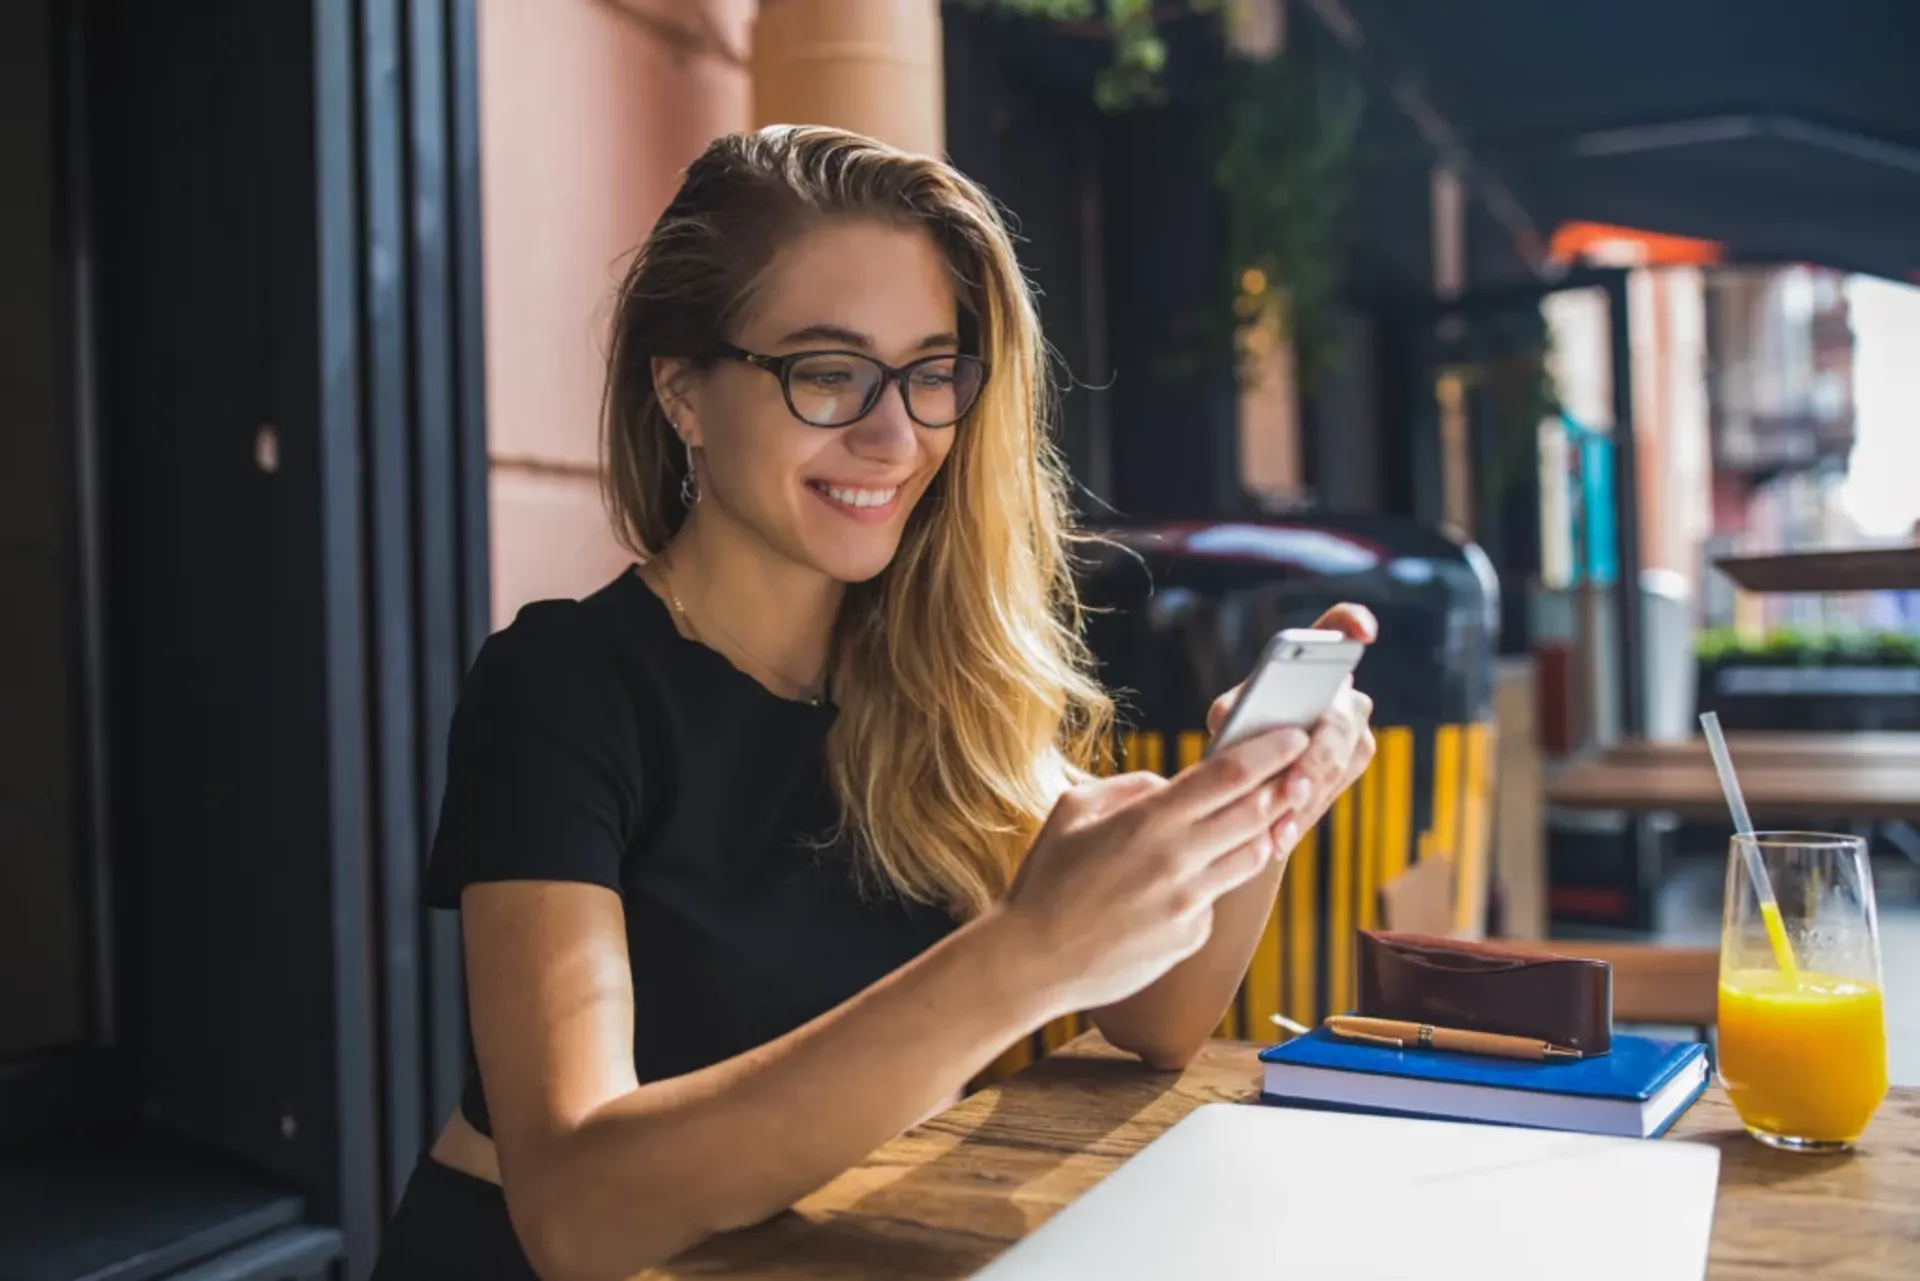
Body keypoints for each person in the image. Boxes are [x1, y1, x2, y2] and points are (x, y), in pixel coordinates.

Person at [371, 125, 1377, 1281]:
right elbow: (576, 1215)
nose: (894, 434)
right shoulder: (560, 685)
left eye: (931, 371)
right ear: (683, 390)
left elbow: (1153, 1020)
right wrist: (1021, 956)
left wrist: (1254, 803)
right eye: (827, 370)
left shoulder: (936, 675)